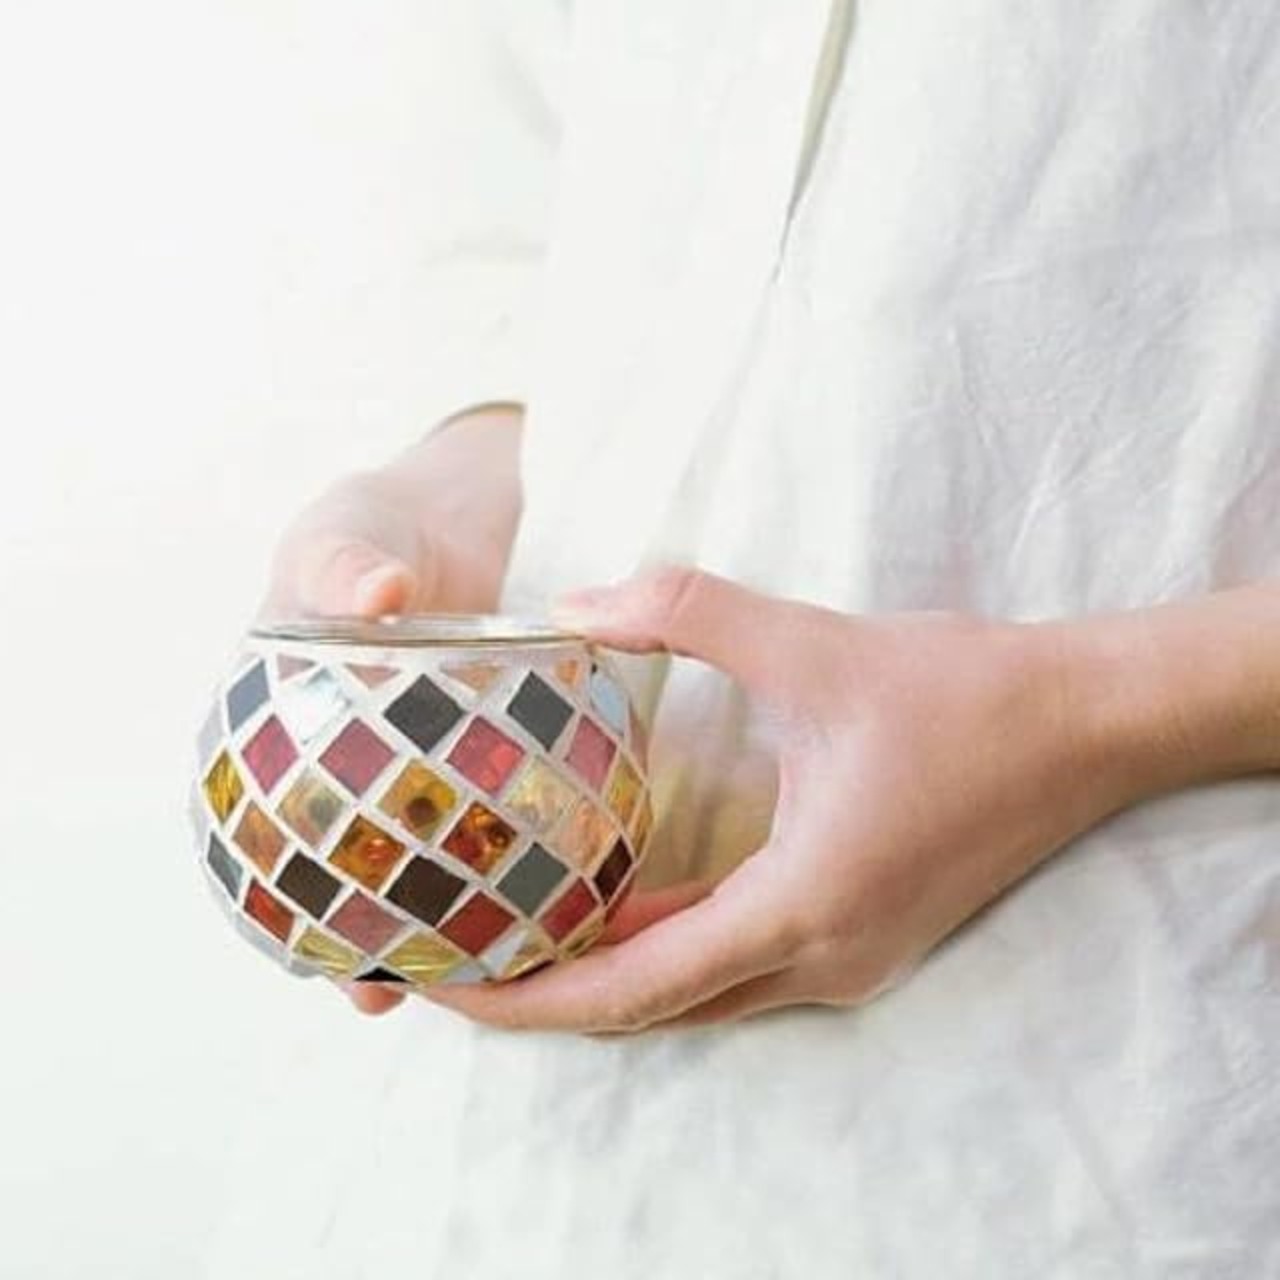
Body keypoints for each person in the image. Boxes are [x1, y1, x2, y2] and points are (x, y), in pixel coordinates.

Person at [234, 2, 1280, 1274]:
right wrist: (443, 501)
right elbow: (541, 254)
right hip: (501, 1171)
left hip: (1112, 1108)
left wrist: (1086, 711)